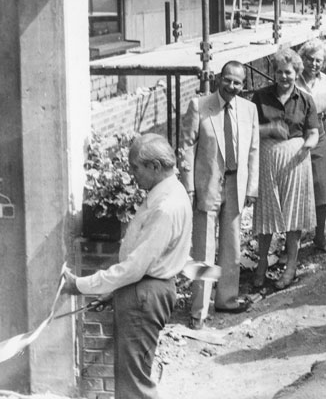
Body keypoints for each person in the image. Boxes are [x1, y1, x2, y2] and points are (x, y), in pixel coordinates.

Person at [62, 134, 192, 398]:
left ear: (155, 166)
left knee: (134, 386)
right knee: (132, 378)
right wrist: (116, 292)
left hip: (145, 294)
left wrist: (80, 285)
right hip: (143, 291)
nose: (132, 174)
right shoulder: (170, 192)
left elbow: (135, 267)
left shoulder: (165, 208)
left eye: (135, 167)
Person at [179, 61, 259, 328]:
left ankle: (227, 299)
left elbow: (253, 151)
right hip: (208, 185)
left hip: (236, 184)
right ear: (218, 79)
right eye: (227, 80)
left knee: (232, 245)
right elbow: (187, 149)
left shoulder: (249, 110)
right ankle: (199, 310)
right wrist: (189, 185)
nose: (232, 86)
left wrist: (252, 188)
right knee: (203, 248)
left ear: (243, 85)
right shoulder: (199, 106)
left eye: (237, 82)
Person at [252, 48, 320, 290]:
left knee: (293, 213)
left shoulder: (305, 99)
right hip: (268, 158)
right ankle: (261, 264)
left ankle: (291, 266)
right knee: (266, 213)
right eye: (279, 72)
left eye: (288, 72)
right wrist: (269, 129)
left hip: (295, 160)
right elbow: (249, 129)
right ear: (274, 73)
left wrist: (307, 145)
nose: (284, 77)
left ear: (297, 73)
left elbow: (313, 132)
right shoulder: (260, 97)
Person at [297, 38, 326, 254]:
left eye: (319, 61)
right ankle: (293, 239)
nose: (314, 64)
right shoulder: (293, 80)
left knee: (320, 185)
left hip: (320, 131)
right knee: (296, 186)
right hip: (297, 133)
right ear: (302, 59)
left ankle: (320, 236)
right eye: (310, 59)